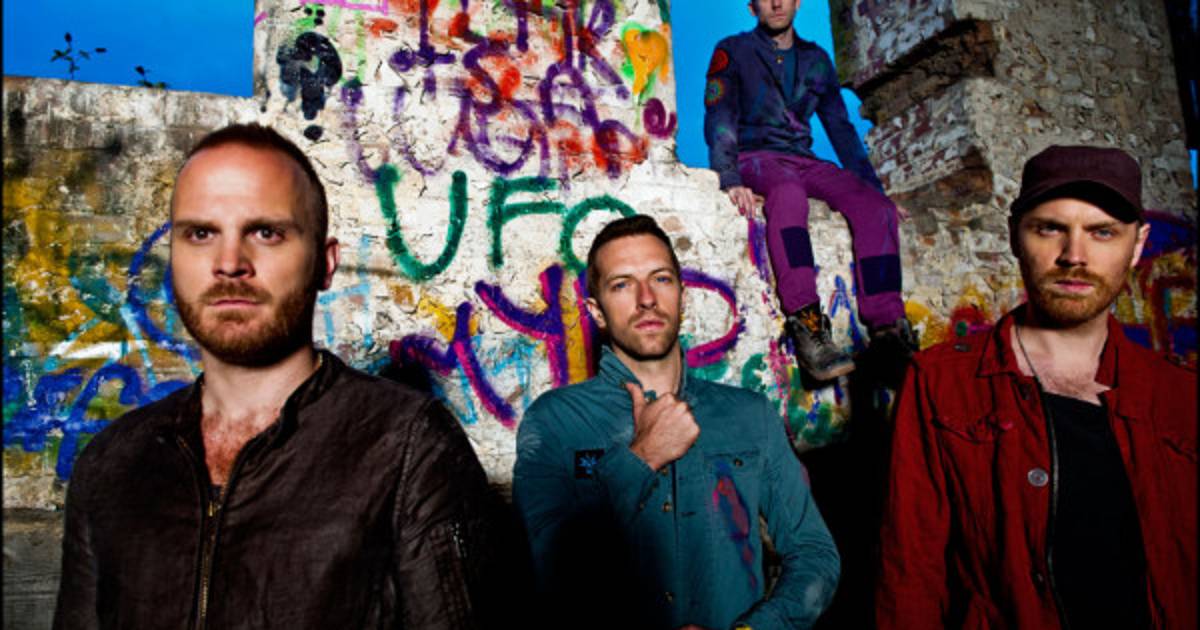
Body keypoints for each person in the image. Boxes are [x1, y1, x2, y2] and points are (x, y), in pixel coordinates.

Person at [53, 123, 505, 629]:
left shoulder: (409, 447)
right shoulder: (110, 464)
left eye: (266, 233)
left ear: (324, 264)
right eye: (201, 234)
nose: (229, 264)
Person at [876, 145, 1196, 628]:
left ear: (1137, 245)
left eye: (1102, 232)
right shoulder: (939, 382)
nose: (1074, 256)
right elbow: (909, 574)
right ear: (1014, 235)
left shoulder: (1181, 394)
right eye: (1049, 228)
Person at [513, 215, 840, 629]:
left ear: (682, 296)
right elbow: (547, 574)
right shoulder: (554, 422)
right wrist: (640, 458)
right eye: (622, 284)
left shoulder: (750, 415)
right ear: (596, 312)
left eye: (661, 279)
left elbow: (815, 554)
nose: (646, 298)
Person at [704, 0, 915, 381]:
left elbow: (841, 128)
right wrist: (729, 176)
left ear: (798, 2)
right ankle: (808, 323)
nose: (777, 3)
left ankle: (887, 329)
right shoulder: (732, 50)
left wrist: (875, 190)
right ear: (752, 7)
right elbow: (720, 116)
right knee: (788, 194)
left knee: (876, 209)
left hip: (803, 159)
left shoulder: (816, 59)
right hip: (756, 157)